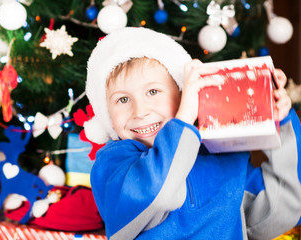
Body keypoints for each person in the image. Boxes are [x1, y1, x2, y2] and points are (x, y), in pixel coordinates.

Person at [84, 27, 301, 240]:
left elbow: (282, 208)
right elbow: (157, 195)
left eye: (153, 91)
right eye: (122, 99)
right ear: (106, 113)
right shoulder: (113, 163)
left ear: (182, 93)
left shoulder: (221, 156)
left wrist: (280, 122)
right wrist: (184, 119)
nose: (140, 111)